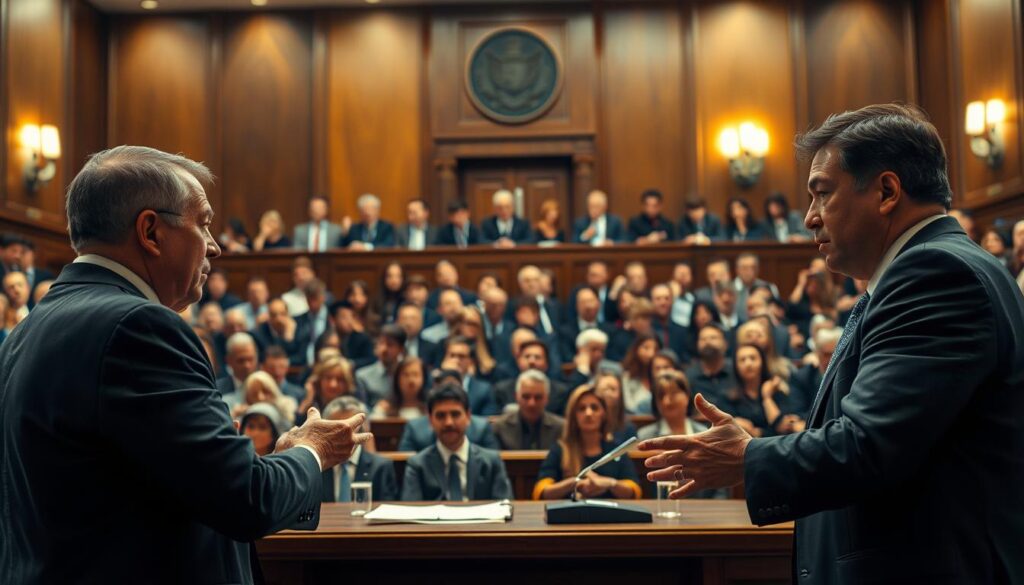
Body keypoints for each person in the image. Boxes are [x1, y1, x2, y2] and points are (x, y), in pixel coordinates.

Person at [640, 104, 1024, 585]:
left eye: (822, 194)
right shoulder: (931, 270)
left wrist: (747, 457)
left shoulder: (935, 275)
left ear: (886, 191)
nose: (809, 219)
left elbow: (868, 444)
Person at [0, 146, 371, 583]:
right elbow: (246, 501)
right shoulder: (139, 327)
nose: (214, 247)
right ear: (151, 232)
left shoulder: (28, 329)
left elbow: (164, 480)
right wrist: (313, 451)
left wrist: (277, 462)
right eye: (204, 223)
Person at [401, 383, 513, 501]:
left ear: (468, 417)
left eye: (455, 414)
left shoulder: (492, 462)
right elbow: (412, 511)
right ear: (430, 420)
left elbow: (504, 507)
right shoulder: (417, 465)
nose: (448, 422)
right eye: (440, 416)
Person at [533, 384, 641, 500]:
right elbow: (541, 492)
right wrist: (575, 482)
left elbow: (634, 491)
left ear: (603, 413)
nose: (588, 413)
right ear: (574, 415)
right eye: (581, 408)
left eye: (594, 408)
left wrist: (609, 483)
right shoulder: (560, 449)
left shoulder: (615, 451)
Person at [321, 397, 398, 502]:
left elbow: (387, 511)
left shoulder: (381, 467)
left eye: (349, 427)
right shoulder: (317, 468)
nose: (343, 434)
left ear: (363, 429)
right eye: (337, 427)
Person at [491, 369, 565, 450]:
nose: (532, 403)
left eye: (538, 397)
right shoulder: (500, 427)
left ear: (547, 398)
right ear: (516, 397)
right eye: (526, 397)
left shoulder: (560, 428)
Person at [355, 324, 406, 407]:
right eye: (381, 343)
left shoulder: (408, 374)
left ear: (401, 349)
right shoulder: (362, 376)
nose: (384, 349)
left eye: (390, 345)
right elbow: (360, 408)